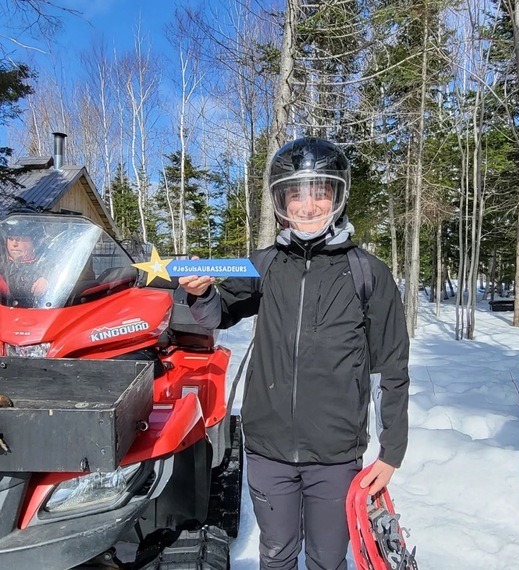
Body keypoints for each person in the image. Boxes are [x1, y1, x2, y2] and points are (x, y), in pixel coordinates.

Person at [179, 137, 410, 570]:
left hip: (336, 455)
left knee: (327, 558)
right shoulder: (262, 264)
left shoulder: (368, 273)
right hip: (268, 450)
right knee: (277, 553)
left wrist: (391, 450)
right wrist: (202, 292)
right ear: (280, 200)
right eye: (296, 194)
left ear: (337, 196)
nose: (308, 207)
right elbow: (217, 313)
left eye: (319, 192)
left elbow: (389, 369)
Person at [0, 219, 48, 305]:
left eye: (19, 239)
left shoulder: (46, 262)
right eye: (10, 239)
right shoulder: (2, 263)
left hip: (40, 311)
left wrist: (48, 279)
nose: (14, 244)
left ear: (34, 242)